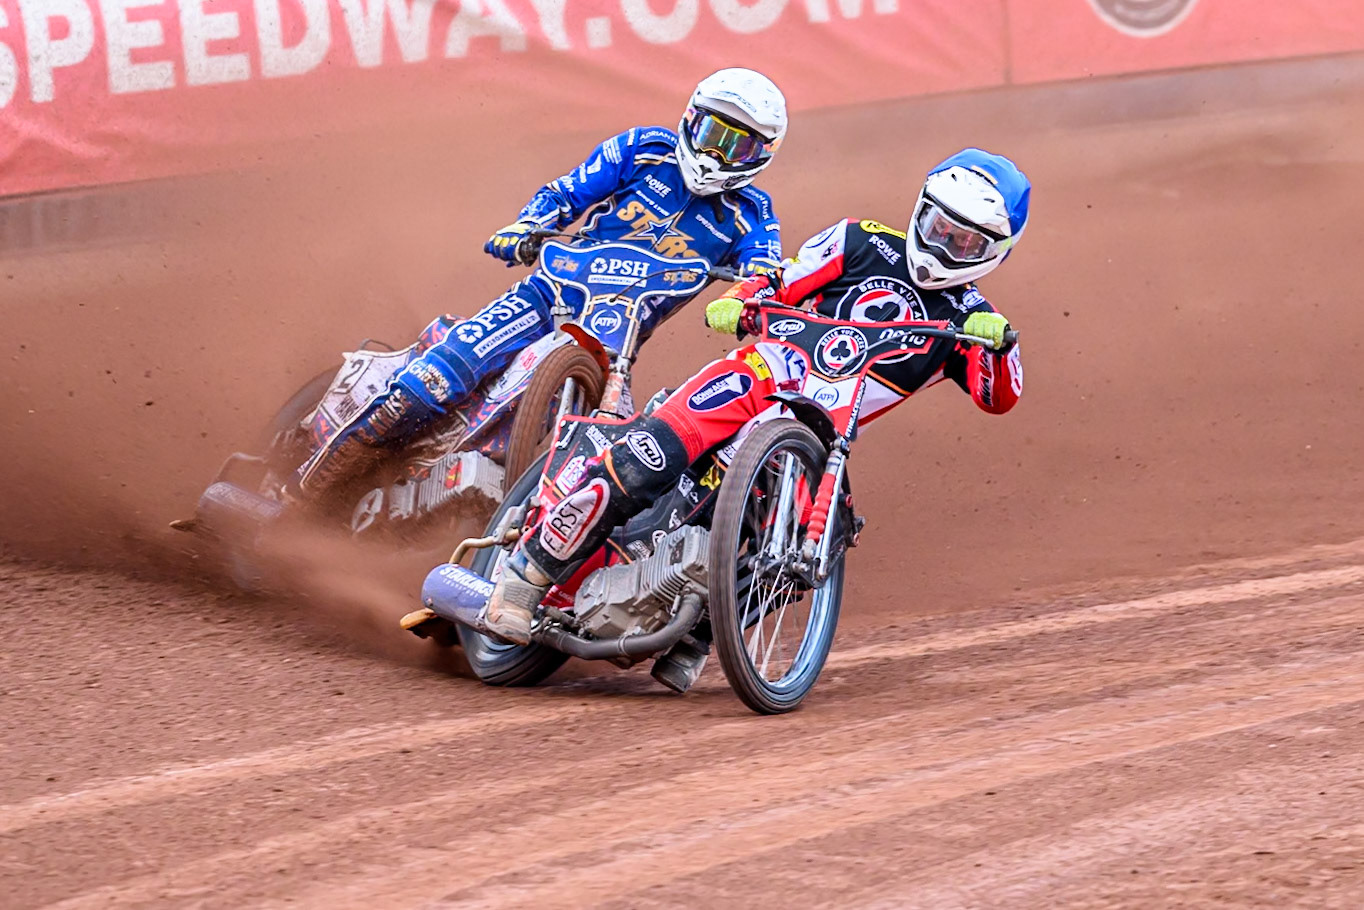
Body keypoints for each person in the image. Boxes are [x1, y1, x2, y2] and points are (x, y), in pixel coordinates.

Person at [474, 148, 1031, 645]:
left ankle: (699, 636)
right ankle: (527, 576)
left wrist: (1002, 343)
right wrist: (740, 298)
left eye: (966, 242)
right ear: (920, 212)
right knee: (654, 451)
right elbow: (780, 279)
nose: (946, 246)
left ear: (994, 252)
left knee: (821, 536)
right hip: (763, 372)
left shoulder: (971, 319)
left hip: (821, 434)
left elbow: (999, 396)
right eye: (939, 227)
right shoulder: (859, 239)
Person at [292, 68, 788, 498]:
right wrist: (526, 227)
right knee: (431, 381)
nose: (716, 152)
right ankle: (302, 497)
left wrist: (750, 300)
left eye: (737, 143)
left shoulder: (752, 215)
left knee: (627, 463)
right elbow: (567, 193)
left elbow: (764, 274)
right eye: (710, 133)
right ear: (690, 118)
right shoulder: (644, 149)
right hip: (546, 293)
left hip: (617, 336)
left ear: (760, 154)